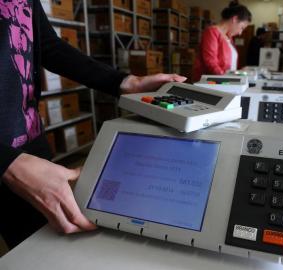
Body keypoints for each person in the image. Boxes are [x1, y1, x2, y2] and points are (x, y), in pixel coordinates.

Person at [0, 0, 186, 250]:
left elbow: (49, 46)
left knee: (41, 249)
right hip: (10, 160)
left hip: (30, 146)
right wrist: (7, 163)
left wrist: (125, 82)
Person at [192, 0, 252, 82]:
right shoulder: (212, 32)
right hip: (211, 84)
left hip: (223, 83)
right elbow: (211, 63)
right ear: (234, 19)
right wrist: (226, 79)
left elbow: (228, 66)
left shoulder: (228, 37)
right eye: (241, 27)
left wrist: (238, 73)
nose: (240, 33)